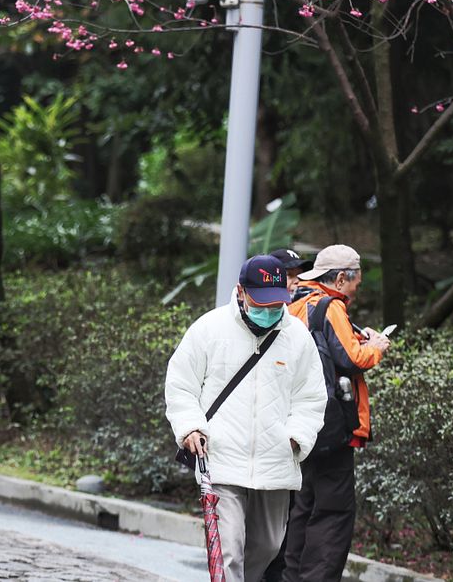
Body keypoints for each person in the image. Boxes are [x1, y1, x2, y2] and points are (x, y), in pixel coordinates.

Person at [164, 255, 326, 582]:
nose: (269, 310)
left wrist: (296, 438)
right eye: (261, 303)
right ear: (241, 292)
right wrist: (190, 427)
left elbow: (311, 397)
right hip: (222, 457)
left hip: (276, 461)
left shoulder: (297, 337)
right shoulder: (209, 328)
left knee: (267, 546)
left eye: (277, 303)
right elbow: (181, 384)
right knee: (229, 549)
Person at [282, 244, 391, 582]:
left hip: (298, 423)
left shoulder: (297, 303)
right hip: (330, 427)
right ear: (342, 277)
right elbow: (352, 359)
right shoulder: (330, 307)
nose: (357, 289)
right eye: (356, 281)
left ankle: (292, 576)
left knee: (303, 507)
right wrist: (376, 347)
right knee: (333, 512)